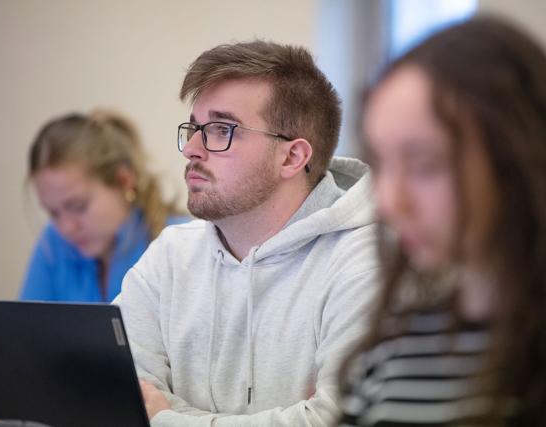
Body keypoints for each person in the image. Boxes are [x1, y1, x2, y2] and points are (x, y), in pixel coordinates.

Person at [115, 40, 379, 425]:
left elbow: (337, 421)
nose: (191, 148)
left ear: (292, 157)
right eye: (194, 127)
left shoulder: (365, 263)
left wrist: (170, 418)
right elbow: (118, 400)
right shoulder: (169, 256)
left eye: (221, 129)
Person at [337, 16, 546, 426]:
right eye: (381, 164)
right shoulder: (389, 356)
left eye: (424, 165)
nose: (390, 203)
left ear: (518, 159)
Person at [20, 109, 188, 302]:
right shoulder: (53, 242)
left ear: (124, 180)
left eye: (78, 206)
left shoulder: (181, 242)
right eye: (53, 213)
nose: (67, 227)